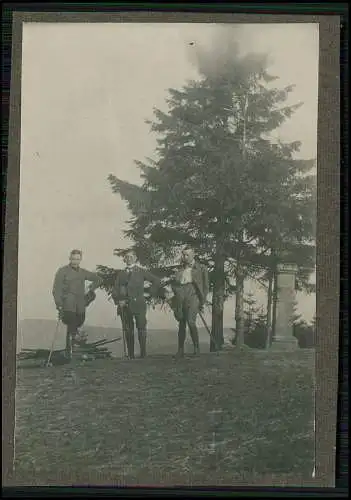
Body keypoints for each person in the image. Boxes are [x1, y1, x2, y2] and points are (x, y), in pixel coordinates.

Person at [111, 251, 164, 359]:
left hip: (139, 304)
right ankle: (131, 355)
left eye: (131, 257)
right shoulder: (121, 273)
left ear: (135, 258)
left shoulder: (141, 271)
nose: (129, 259)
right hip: (124, 305)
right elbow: (115, 289)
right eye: (127, 257)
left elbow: (156, 280)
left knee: (141, 328)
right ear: (124, 259)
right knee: (128, 329)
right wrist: (119, 300)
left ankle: (143, 354)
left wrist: (149, 293)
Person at [52, 249, 102, 359]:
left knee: (79, 322)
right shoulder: (62, 271)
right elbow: (56, 289)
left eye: (78, 259)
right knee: (72, 324)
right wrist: (59, 304)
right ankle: (69, 351)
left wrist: (90, 289)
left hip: (80, 305)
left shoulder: (83, 272)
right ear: (70, 258)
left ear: (80, 260)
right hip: (68, 304)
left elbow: (98, 279)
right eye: (73, 259)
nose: (75, 261)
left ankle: (72, 347)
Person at [166, 247, 209, 358]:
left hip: (193, 295)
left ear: (193, 255)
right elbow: (176, 285)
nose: (185, 257)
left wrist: (201, 301)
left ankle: (196, 349)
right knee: (182, 322)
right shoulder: (180, 270)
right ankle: (180, 350)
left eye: (187, 255)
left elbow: (205, 287)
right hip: (181, 295)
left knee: (191, 321)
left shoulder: (201, 268)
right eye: (183, 255)